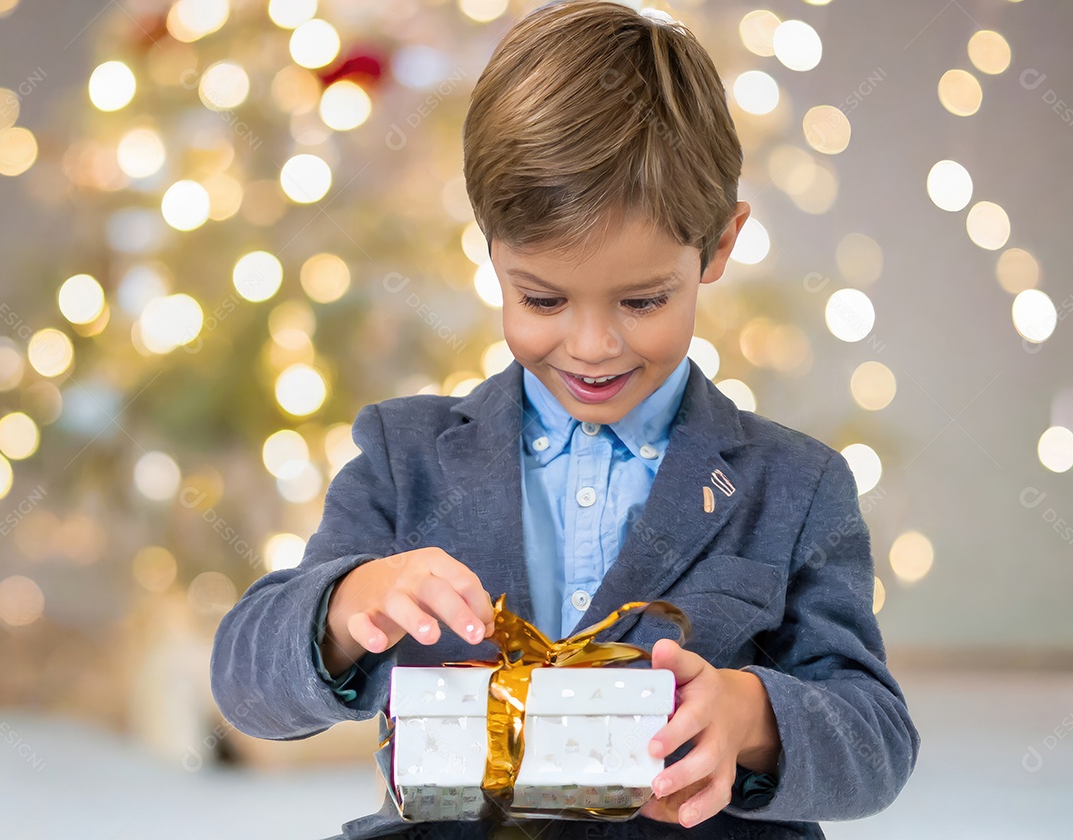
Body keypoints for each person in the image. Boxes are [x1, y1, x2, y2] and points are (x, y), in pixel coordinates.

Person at [210, 2, 920, 837]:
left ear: (719, 248)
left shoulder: (795, 487)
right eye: (542, 299)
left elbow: (877, 737)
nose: (591, 346)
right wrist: (343, 607)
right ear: (490, 251)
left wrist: (752, 716)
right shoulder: (406, 458)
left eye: (643, 300)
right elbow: (245, 686)